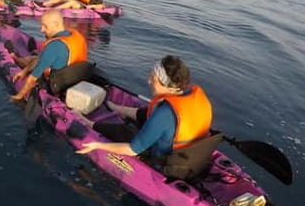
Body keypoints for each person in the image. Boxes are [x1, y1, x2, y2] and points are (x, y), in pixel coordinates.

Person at [76, 55, 212, 161]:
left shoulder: (165, 114)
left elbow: (132, 150)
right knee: (147, 115)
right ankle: (116, 107)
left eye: (153, 79)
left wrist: (97, 145)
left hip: (164, 160)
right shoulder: (193, 96)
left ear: (168, 86)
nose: (148, 81)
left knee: (126, 131)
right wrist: (116, 108)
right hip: (189, 154)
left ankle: (90, 123)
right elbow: (148, 114)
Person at [9, 10, 88, 101]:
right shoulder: (76, 36)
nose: (41, 30)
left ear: (56, 24)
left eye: (45, 26)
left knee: (32, 59)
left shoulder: (53, 46)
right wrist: (24, 72)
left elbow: (32, 79)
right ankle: (33, 52)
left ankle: (14, 57)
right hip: (77, 77)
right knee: (38, 58)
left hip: (58, 85)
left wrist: (18, 96)